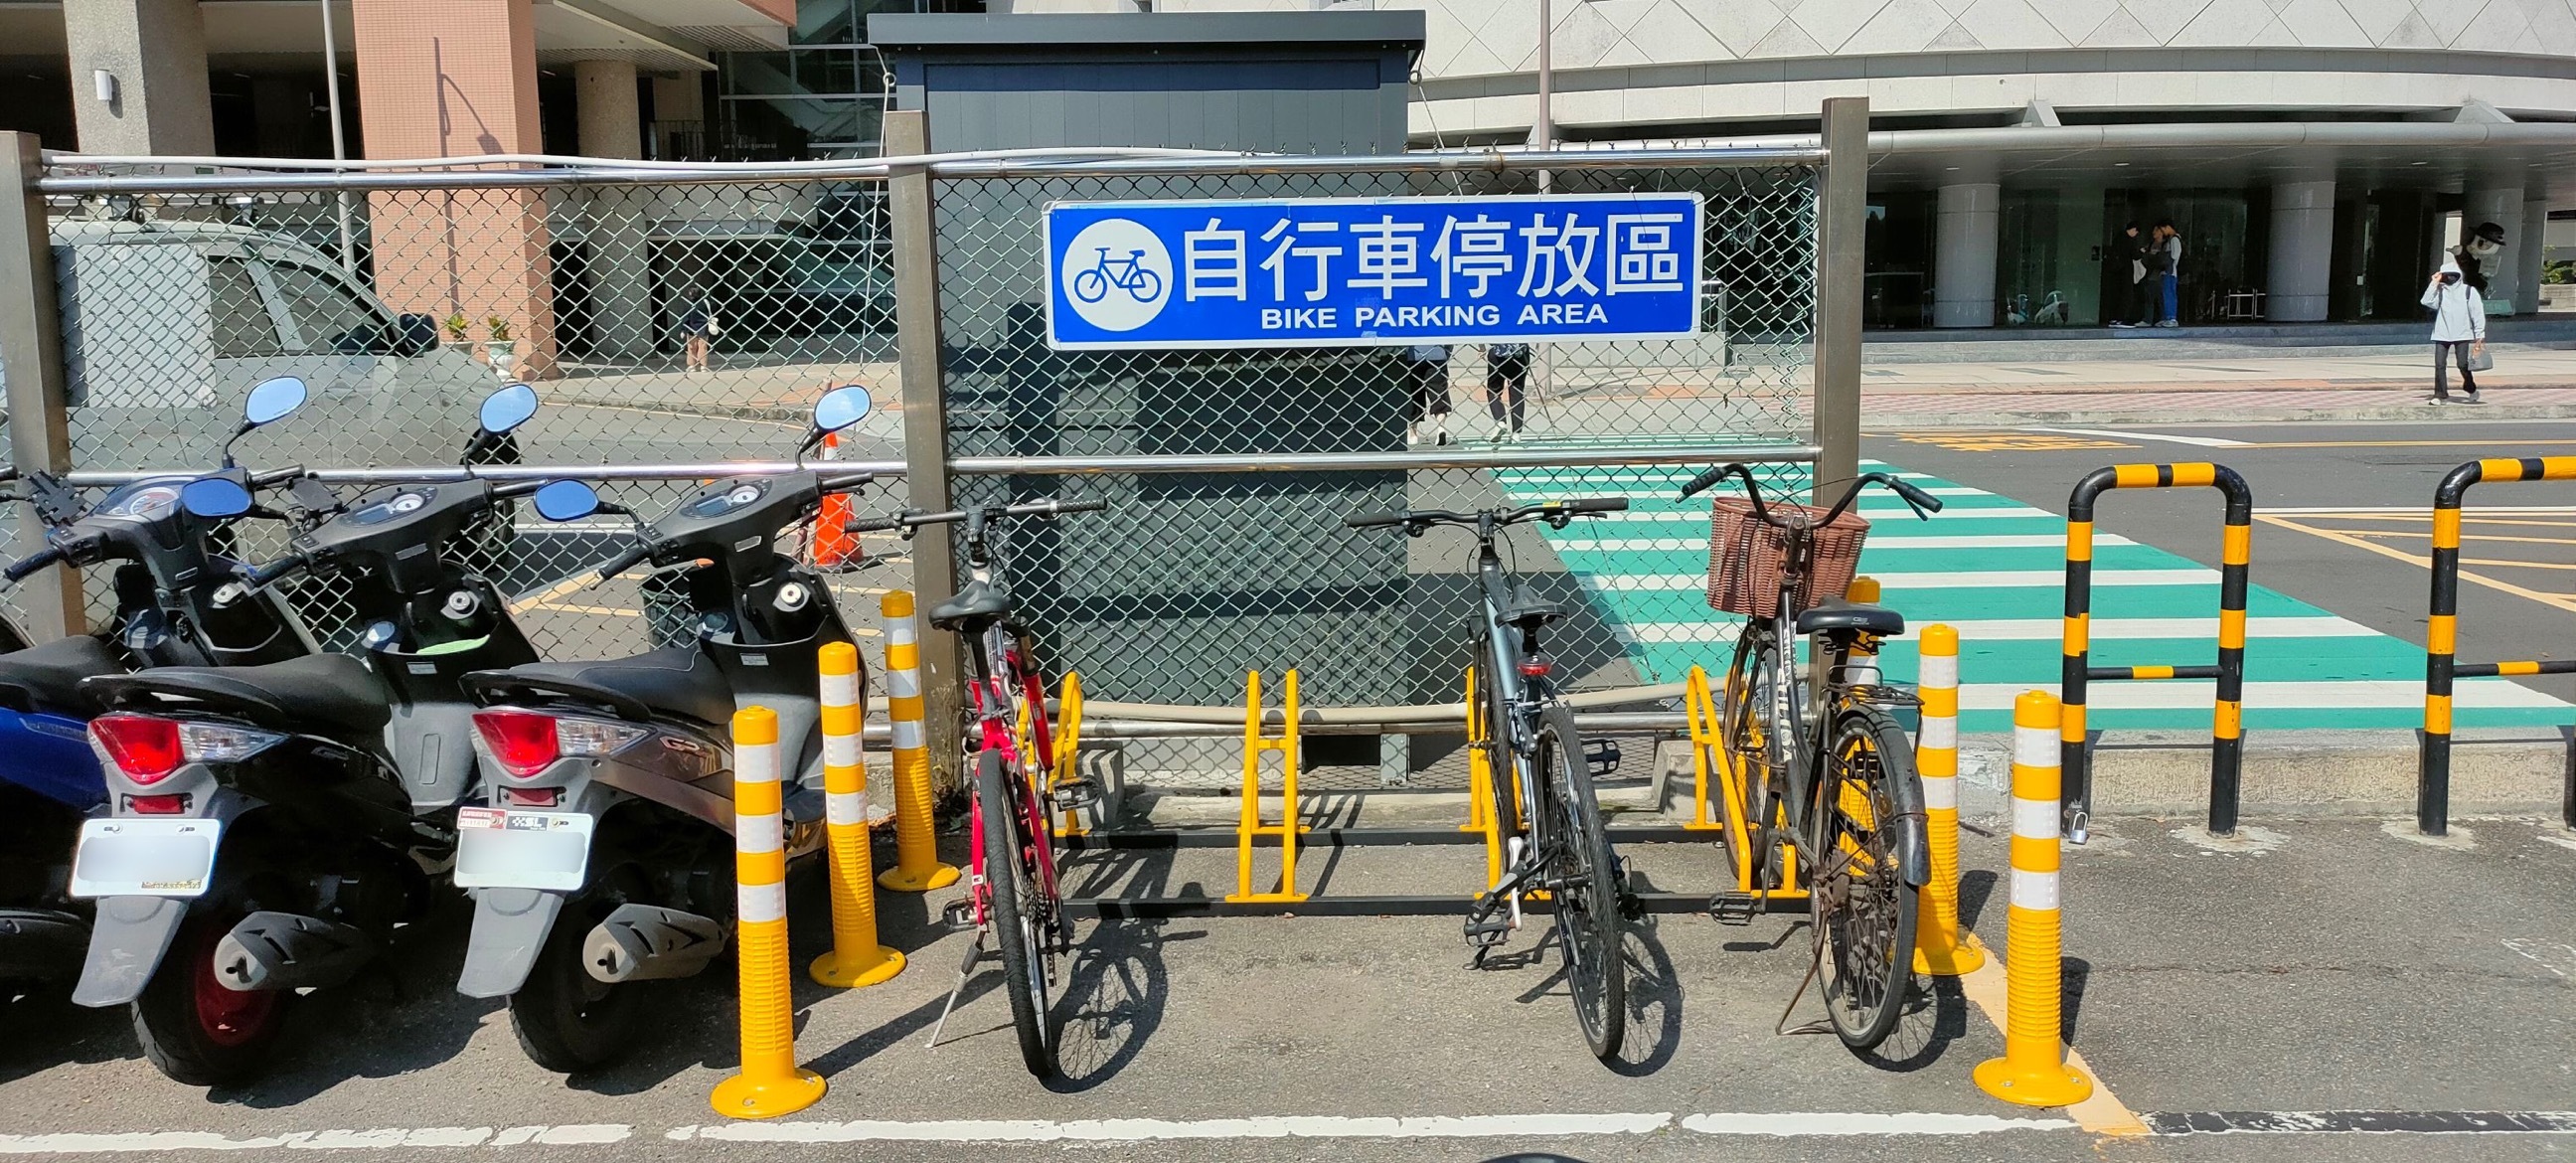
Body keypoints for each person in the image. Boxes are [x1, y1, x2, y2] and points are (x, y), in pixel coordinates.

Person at [2422, 256, 2488, 405]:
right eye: (2447, 275)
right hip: (2442, 333)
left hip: (2462, 333)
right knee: (2439, 364)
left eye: (2453, 275)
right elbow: (2426, 301)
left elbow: (2477, 312)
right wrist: (2434, 282)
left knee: (2462, 364)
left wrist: (2479, 335)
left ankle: (2470, 387)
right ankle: (2440, 394)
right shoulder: (2440, 291)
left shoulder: (2468, 292)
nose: (2450, 278)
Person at [1401, 343, 1452, 446]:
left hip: (1413, 357)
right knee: (1439, 393)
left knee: (1414, 394)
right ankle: (1441, 427)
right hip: (1437, 354)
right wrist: (1445, 353)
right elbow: (1449, 341)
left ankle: (1413, 433)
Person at [1485, 342, 1530, 440]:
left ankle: (1500, 421)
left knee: (1493, 390)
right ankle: (1516, 433)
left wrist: (1481, 347)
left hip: (1498, 352)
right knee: (1517, 390)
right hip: (1520, 351)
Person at [2109, 222, 2151, 328]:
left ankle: (2115, 318)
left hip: (2116, 271)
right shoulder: (2129, 240)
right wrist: (2141, 251)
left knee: (2117, 294)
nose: (2136, 234)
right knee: (2127, 295)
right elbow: (2135, 256)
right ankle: (2122, 319)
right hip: (2126, 270)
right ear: (2134, 229)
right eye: (2136, 232)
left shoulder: (2118, 237)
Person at [2152, 221, 2183, 327]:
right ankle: (2165, 317)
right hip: (2167, 271)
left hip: (2170, 271)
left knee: (2169, 293)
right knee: (2164, 294)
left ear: (2167, 227)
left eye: (2163, 229)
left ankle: (2171, 317)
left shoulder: (2174, 239)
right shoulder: (2170, 240)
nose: (2163, 232)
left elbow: (2174, 256)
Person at [677, 297, 717, 373]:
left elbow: (685, 317)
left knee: (691, 347)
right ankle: (703, 366)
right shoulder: (705, 302)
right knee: (703, 347)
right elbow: (713, 307)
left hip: (691, 328)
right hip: (703, 327)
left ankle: (692, 365)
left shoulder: (688, 304)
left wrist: (683, 329)